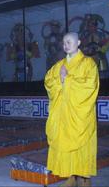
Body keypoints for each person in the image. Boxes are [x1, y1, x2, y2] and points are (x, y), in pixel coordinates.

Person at [44, 32, 99, 187]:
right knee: (66, 143)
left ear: (79, 42)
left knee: (82, 145)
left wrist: (67, 80)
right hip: (63, 113)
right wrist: (59, 80)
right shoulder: (59, 65)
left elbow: (90, 85)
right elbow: (48, 81)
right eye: (64, 42)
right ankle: (71, 177)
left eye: (69, 42)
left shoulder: (88, 63)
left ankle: (85, 178)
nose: (65, 45)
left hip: (80, 114)